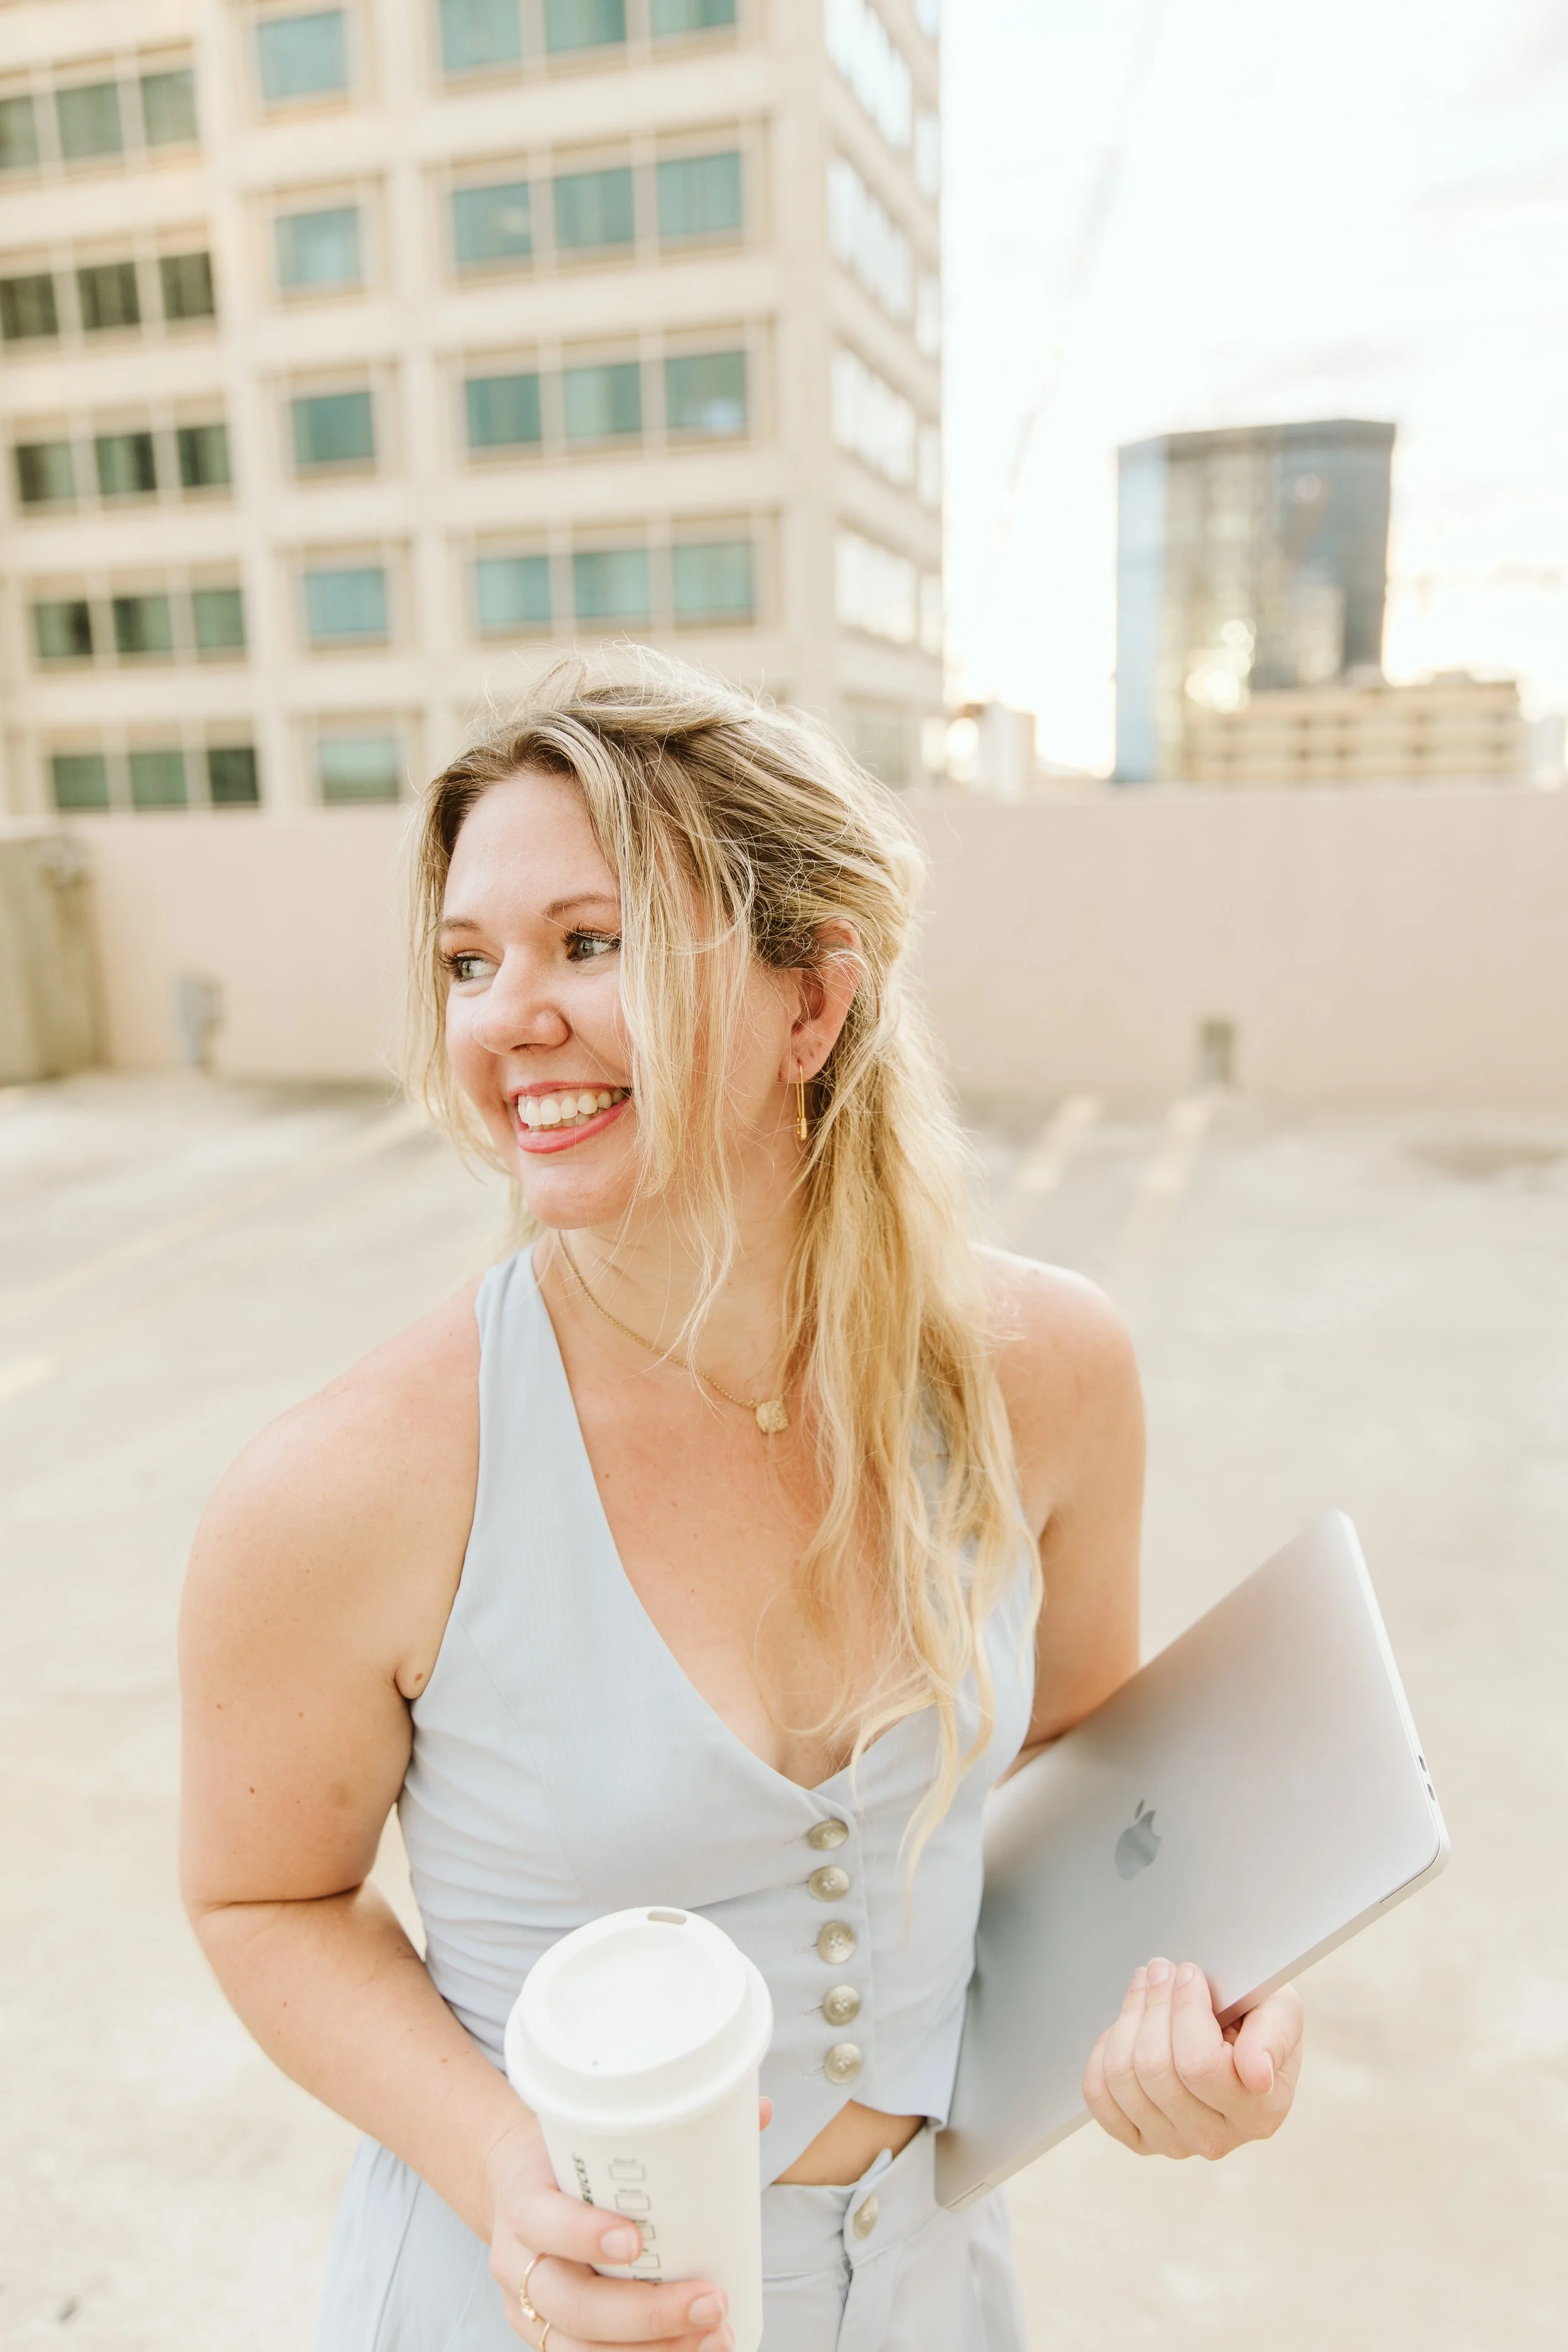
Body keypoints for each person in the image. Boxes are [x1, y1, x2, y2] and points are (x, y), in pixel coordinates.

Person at [179, 655, 1304, 2352]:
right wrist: (505, 2173)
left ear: (812, 1001)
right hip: (537, 2310)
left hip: (928, 2290)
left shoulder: (1047, 1372)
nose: (506, 1015)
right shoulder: (346, 1487)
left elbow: (1087, 1770)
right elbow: (264, 1898)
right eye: (469, 962)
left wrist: (1203, 2008)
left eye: (591, 938)